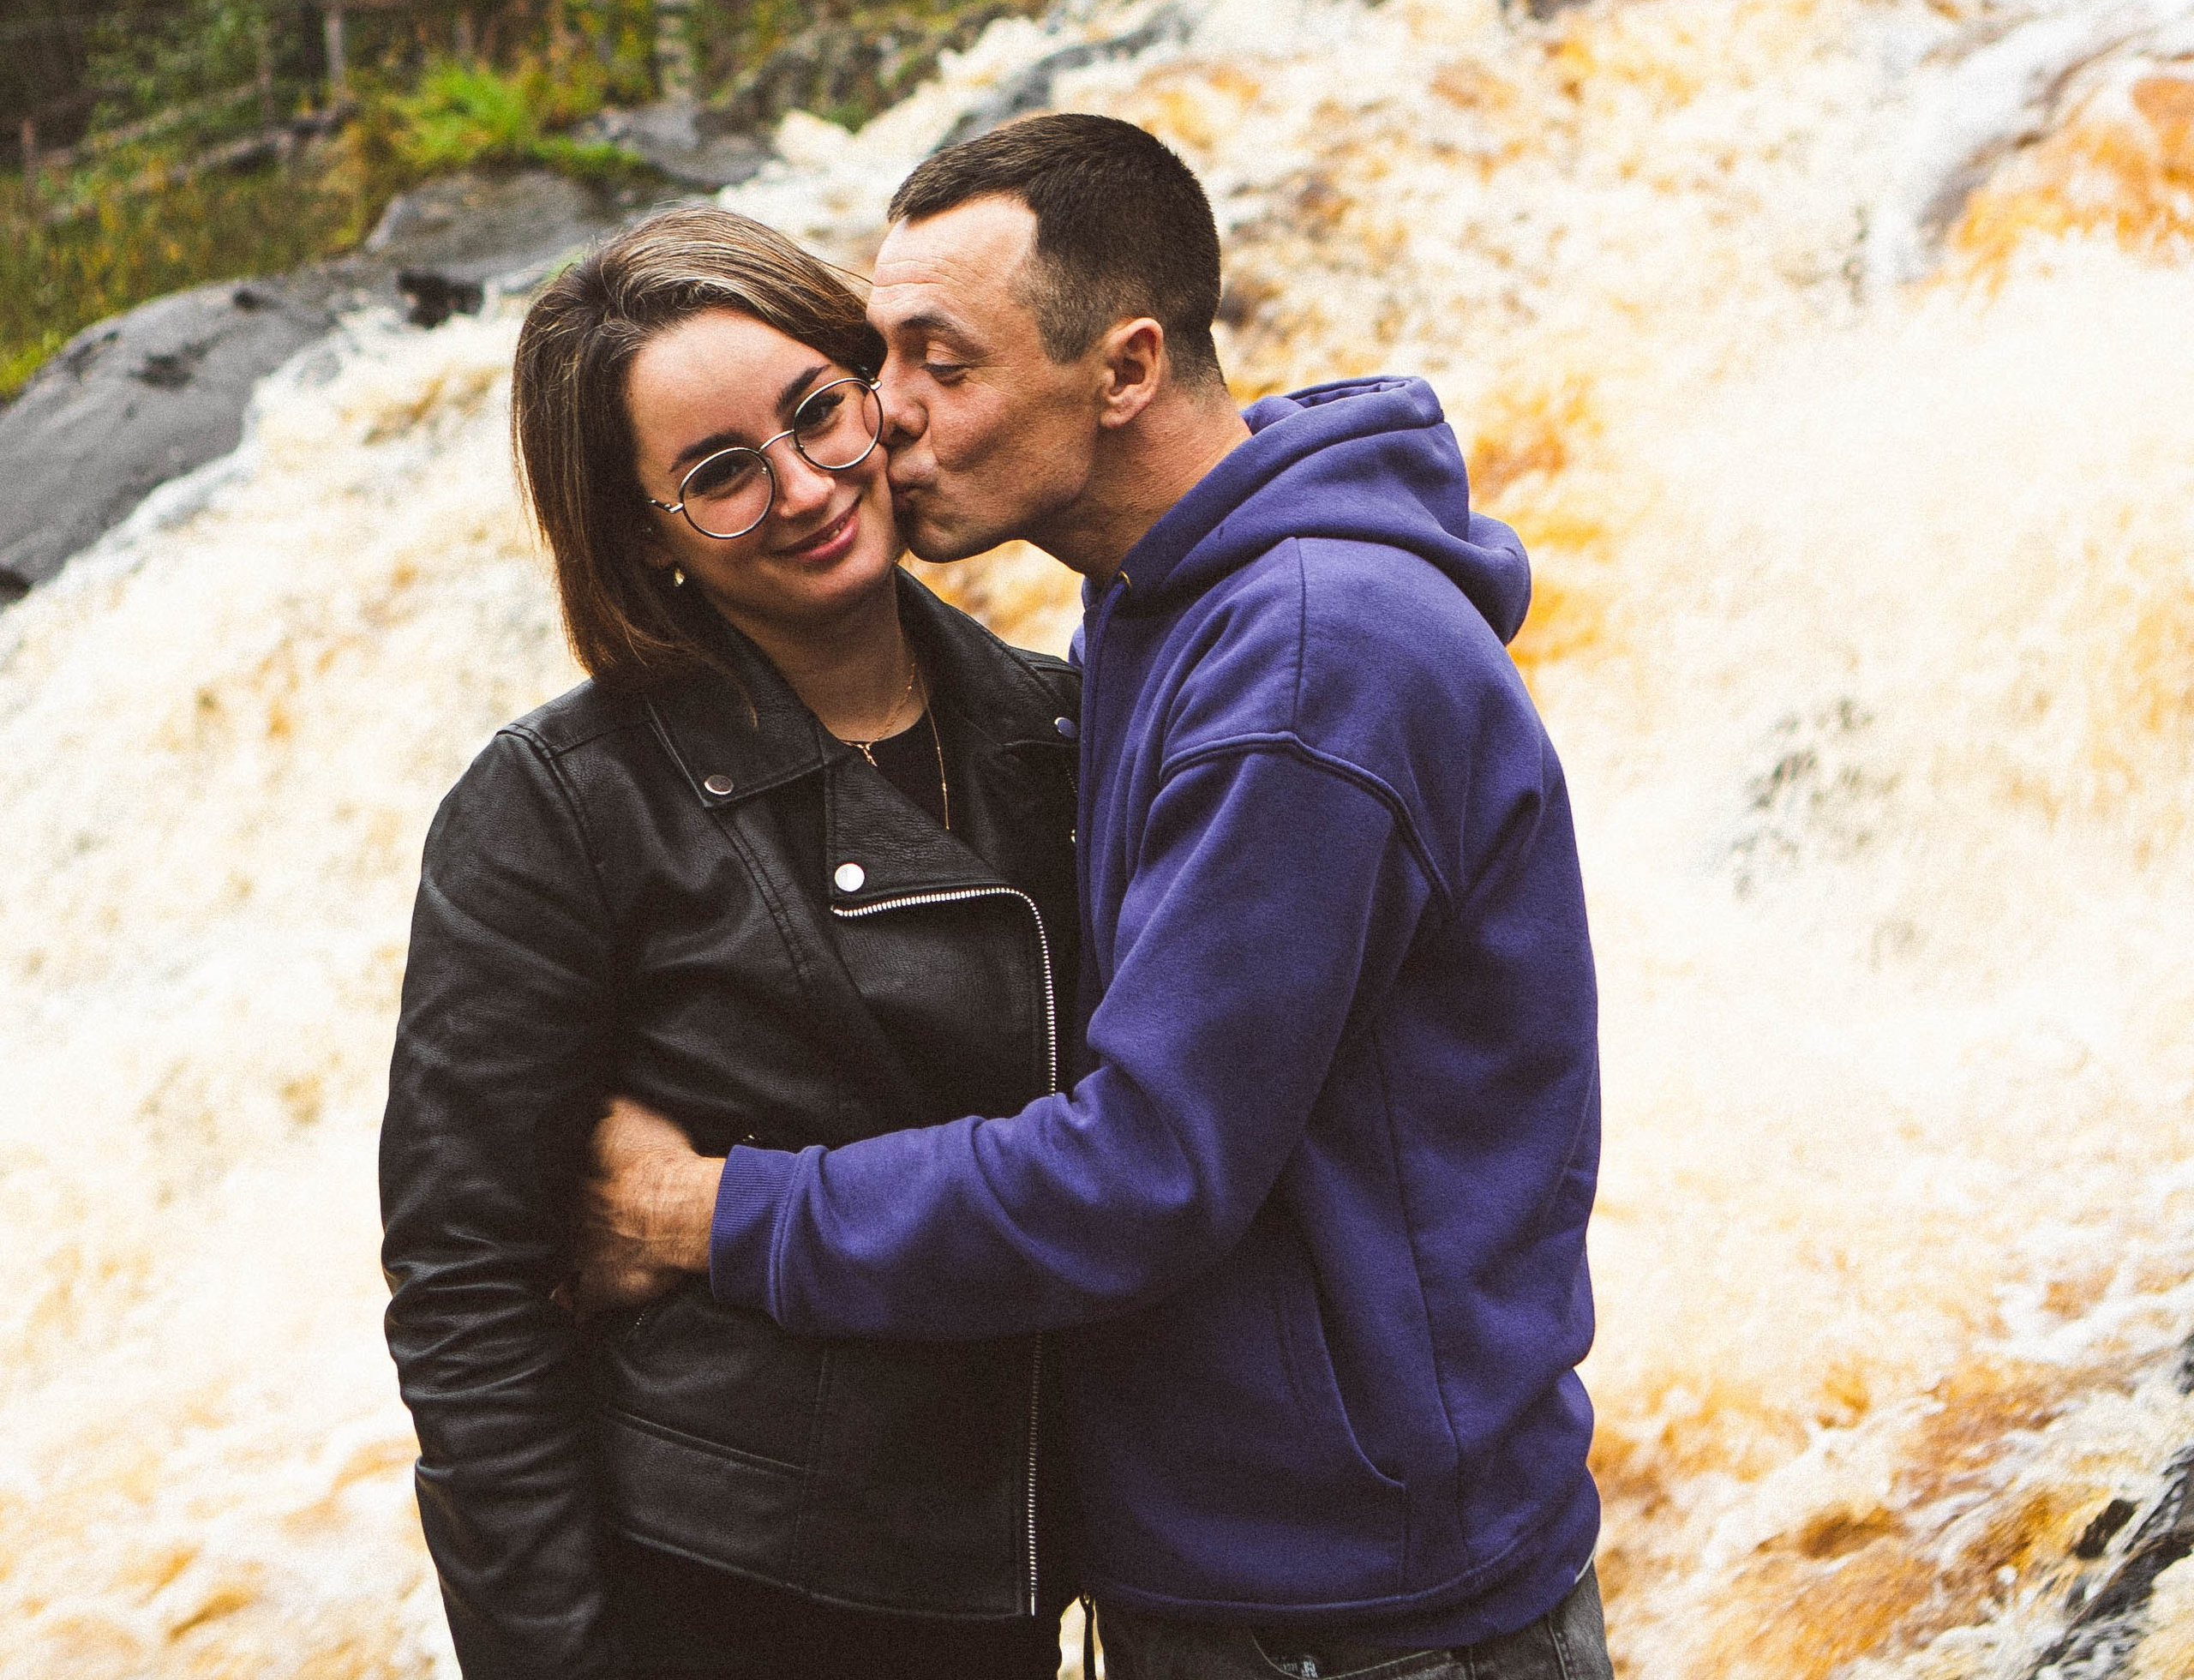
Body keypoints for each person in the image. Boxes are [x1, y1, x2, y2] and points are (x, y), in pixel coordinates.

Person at [572, 113, 1612, 1680]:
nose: (882, 419)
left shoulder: (1310, 670)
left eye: (944, 362)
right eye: (880, 354)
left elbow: (1146, 1171)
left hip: (1365, 1614)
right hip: (1256, 1571)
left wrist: (706, 1212)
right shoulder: (1155, 609)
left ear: (1123, 370)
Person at [378, 207, 1081, 1680]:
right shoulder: (559, 807)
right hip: (723, 1596)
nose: (807, 486)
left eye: (817, 414)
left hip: (1021, 1587)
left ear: (870, 384)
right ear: (644, 533)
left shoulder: (1059, 730)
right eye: (718, 474)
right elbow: (466, 1297)